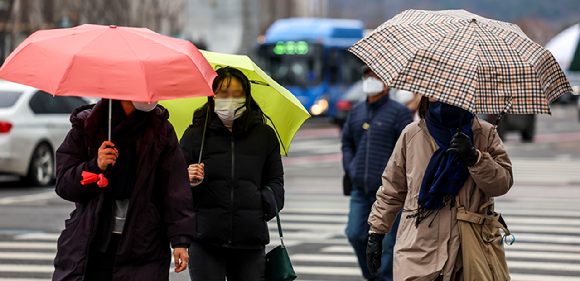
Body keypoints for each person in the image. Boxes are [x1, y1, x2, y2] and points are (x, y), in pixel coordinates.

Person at [366, 97, 513, 281]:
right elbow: (392, 189)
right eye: (435, 94)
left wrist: (474, 158)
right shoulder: (412, 134)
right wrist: (376, 232)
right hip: (417, 249)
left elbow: (502, 183)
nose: (443, 100)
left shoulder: (483, 133)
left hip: (469, 250)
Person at [53, 99, 195, 281]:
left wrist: (180, 240)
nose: (150, 96)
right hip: (92, 243)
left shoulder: (162, 130)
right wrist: (96, 166)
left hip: (144, 247)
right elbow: (64, 184)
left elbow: (174, 189)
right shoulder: (88, 126)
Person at [180, 67, 284, 281]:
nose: (230, 99)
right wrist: (187, 179)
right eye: (223, 93)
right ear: (212, 96)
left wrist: (261, 203)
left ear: (246, 96)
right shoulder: (194, 135)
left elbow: (275, 182)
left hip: (250, 240)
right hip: (205, 239)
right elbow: (173, 188)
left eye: (237, 93)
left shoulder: (264, 135)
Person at [341, 65, 413, 281]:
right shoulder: (356, 112)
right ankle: (374, 277)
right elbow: (347, 143)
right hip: (360, 190)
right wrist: (351, 167)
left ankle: (385, 278)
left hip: (390, 194)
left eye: (375, 76)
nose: (369, 80)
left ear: (387, 83)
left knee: (388, 244)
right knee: (354, 234)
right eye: (367, 76)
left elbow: (408, 149)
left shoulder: (399, 112)